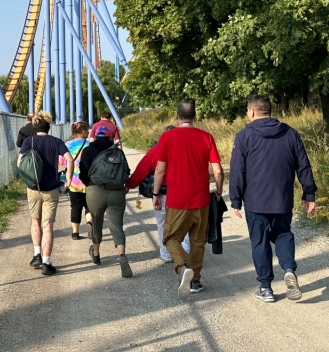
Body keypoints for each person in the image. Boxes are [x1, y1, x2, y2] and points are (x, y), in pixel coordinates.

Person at [230, 94, 317, 303]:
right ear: (269, 110)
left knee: (259, 241)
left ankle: (265, 287)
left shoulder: (244, 136)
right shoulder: (291, 134)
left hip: (255, 201)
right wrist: (309, 193)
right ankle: (288, 269)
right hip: (282, 198)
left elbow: (237, 170)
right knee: (283, 234)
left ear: (251, 111)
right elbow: (303, 165)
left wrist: (236, 199)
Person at [152, 100, 223, 299]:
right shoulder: (206, 137)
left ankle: (183, 266)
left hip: (177, 200)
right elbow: (217, 170)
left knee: (170, 237)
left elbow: (159, 169)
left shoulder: (167, 137)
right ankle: (195, 280)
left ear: (176, 116)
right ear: (195, 116)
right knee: (198, 241)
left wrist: (156, 194)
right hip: (201, 200)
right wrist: (218, 192)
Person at [125, 125, 191, 263]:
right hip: (183, 192)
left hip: (162, 194)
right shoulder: (186, 150)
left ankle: (166, 254)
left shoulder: (156, 151)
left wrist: (129, 184)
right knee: (184, 223)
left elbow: (141, 170)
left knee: (162, 223)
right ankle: (186, 253)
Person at [18, 117, 72, 276]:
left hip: (33, 187)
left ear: (35, 128)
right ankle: (47, 264)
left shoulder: (29, 142)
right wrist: (67, 180)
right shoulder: (56, 141)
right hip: (52, 189)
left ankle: (36, 255)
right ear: (49, 127)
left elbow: (19, 163)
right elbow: (69, 159)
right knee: (47, 225)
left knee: (35, 220)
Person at [79, 129, 133, 278]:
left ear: (95, 136)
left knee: (96, 222)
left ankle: (96, 254)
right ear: (110, 137)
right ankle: (122, 256)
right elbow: (126, 171)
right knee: (117, 225)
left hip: (95, 190)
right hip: (116, 193)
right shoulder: (117, 152)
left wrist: (89, 184)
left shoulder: (88, 150)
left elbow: (83, 171)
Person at [62, 122, 90, 239]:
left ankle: (75, 233)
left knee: (75, 207)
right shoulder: (90, 145)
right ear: (83, 131)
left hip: (73, 182)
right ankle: (90, 224)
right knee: (90, 207)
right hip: (89, 183)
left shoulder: (67, 145)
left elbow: (62, 162)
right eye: (87, 130)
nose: (88, 132)